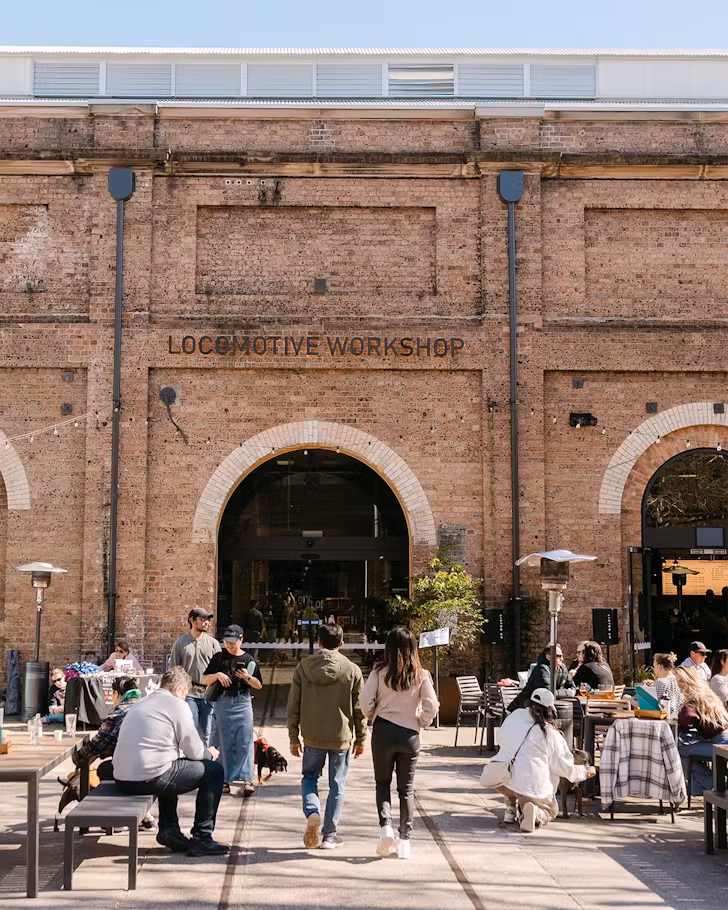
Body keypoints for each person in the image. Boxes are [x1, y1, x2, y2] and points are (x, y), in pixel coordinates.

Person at [113, 666, 228, 856]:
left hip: (123, 778)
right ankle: (202, 837)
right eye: (185, 694)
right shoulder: (176, 704)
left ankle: (169, 830)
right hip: (149, 777)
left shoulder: (142, 703)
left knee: (171, 763)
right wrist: (210, 754)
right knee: (214, 771)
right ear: (180, 690)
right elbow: (194, 750)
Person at [359, 628, 439, 859]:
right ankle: (405, 840)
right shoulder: (421, 674)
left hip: (383, 732)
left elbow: (365, 701)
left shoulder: (379, 671)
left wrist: (372, 714)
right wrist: (421, 721)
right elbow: (432, 705)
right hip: (409, 735)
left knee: (382, 783)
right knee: (406, 790)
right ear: (413, 649)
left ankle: (385, 827)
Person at [287, 623, 366, 850]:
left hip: (312, 736)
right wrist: (361, 739)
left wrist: (293, 736)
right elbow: (360, 709)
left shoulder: (303, 667)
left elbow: (294, 704)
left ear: (318, 643)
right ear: (341, 644)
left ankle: (312, 811)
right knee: (337, 784)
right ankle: (330, 834)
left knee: (309, 777)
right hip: (340, 737)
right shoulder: (352, 670)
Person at [491, 688, 595, 832]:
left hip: (502, 778)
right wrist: (585, 771)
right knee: (551, 810)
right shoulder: (550, 734)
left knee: (514, 777)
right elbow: (562, 766)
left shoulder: (514, 717)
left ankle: (510, 808)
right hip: (530, 788)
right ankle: (535, 814)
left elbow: (501, 739)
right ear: (550, 711)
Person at [201, 624, 262, 798]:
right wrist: (218, 675)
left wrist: (247, 677)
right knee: (223, 740)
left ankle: (246, 779)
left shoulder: (249, 659)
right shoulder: (219, 658)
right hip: (223, 701)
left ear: (241, 640)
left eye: (233, 642)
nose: (230, 645)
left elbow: (259, 684)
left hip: (242, 701)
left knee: (245, 739)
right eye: (227, 642)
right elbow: (204, 679)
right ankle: (224, 779)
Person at [72, 676, 141, 780]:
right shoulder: (146, 707)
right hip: (159, 764)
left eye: (112, 693)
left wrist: (77, 757)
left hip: (135, 771)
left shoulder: (117, 716)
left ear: (117, 694)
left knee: (103, 769)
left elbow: (97, 745)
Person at [169, 607, 221, 745]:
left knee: (207, 731)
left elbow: (220, 669)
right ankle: (193, 759)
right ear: (192, 620)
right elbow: (174, 670)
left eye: (208, 620)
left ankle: (205, 762)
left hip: (209, 692)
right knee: (192, 727)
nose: (206, 622)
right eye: (202, 619)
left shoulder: (213, 644)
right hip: (188, 693)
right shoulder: (180, 643)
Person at [675, 665, 728, 796]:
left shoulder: (694, 699)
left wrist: (677, 717)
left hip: (720, 743)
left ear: (690, 680)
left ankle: (714, 785)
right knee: (684, 745)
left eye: (682, 681)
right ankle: (698, 788)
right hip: (719, 738)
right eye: (677, 682)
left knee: (678, 750)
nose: (679, 685)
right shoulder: (705, 692)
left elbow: (686, 718)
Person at [508, 645, 575, 713]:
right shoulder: (541, 669)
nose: (562, 659)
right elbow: (548, 693)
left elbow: (572, 688)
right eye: (559, 656)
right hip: (527, 708)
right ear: (548, 657)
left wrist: (564, 692)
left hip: (547, 708)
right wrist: (567, 692)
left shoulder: (563, 669)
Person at [653, 653, 683, 717]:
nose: (654, 670)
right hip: (678, 718)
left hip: (664, 719)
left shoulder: (660, 682)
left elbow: (654, 705)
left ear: (660, 666)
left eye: (654, 667)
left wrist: (630, 700)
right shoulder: (679, 680)